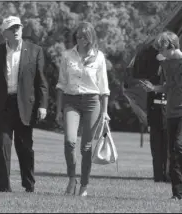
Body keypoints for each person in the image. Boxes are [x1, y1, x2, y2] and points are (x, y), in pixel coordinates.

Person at [139, 31, 182, 203]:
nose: (160, 53)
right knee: (172, 153)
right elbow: (169, 86)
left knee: (180, 146)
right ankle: (177, 194)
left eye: (162, 49)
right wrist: (153, 89)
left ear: (170, 46)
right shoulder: (166, 64)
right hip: (171, 112)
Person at [0, 16, 49, 193]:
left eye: (18, 27)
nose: (16, 31)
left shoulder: (35, 51)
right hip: (2, 106)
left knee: (25, 146)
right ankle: (5, 187)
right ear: (5, 33)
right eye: (12, 29)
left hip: (25, 106)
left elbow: (41, 81)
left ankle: (29, 185)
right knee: (3, 145)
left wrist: (42, 105)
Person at [55, 22, 110, 197]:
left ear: (90, 37)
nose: (80, 39)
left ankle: (84, 185)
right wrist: (58, 110)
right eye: (78, 36)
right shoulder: (67, 55)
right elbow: (61, 85)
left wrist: (105, 112)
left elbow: (104, 88)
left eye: (84, 36)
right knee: (70, 141)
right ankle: (72, 178)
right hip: (71, 101)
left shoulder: (99, 57)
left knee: (86, 147)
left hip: (93, 102)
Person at [147, 54, 170, 182]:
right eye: (160, 63)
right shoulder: (153, 79)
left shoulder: (172, 77)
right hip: (156, 117)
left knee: (168, 150)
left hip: (168, 116)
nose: (162, 65)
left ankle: (168, 174)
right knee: (156, 149)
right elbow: (149, 101)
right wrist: (149, 122)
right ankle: (158, 176)